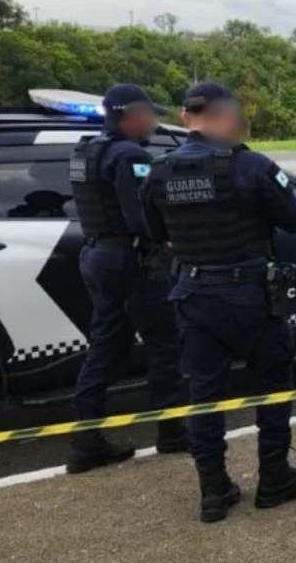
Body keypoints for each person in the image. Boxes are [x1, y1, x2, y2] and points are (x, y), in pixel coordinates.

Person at [141, 82, 296, 523]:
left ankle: (214, 492)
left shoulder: (158, 171)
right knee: (274, 386)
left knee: (204, 396)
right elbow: (295, 219)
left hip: (193, 295)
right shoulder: (251, 165)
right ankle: (275, 479)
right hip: (250, 297)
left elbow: (157, 233)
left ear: (185, 117)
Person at [66, 83, 186, 473]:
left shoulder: (86, 150)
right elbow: (141, 216)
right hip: (131, 261)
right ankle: (172, 431)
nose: (153, 123)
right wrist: (169, 239)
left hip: (98, 255)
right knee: (165, 343)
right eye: (149, 115)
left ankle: (86, 441)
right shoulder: (130, 155)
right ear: (132, 114)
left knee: (106, 345)